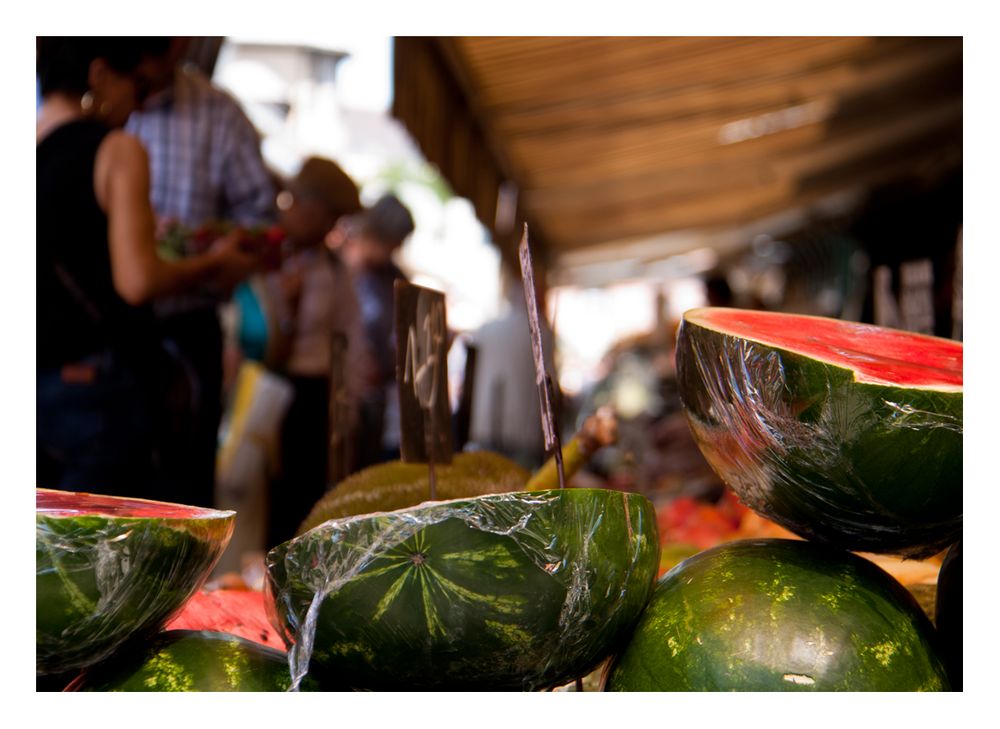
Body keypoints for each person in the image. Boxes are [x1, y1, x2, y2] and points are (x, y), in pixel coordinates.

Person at [36, 37, 258, 497]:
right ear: (98, 76)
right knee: (104, 557)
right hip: (98, 387)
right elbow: (138, 281)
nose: (136, 107)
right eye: (135, 86)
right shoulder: (118, 150)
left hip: (35, 377)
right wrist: (213, 264)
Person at [125, 38, 278, 507]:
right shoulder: (100, 109)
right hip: (108, 334)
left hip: (188, 328)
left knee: (181, 497)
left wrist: (212, 248)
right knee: (108, 492)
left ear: (180, 45)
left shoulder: (217, 113)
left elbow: (263, 223)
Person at [262, 157, 368, 546]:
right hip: (263, 389)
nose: (329, 228)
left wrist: (347, 411)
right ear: (304, 205)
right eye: (327, 215)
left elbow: (351, 342)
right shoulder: (264, 255)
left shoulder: (335, 272)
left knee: (301, 503)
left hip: (313, 397)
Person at [338, 193, 415, 468]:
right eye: (389, 243)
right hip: (340, 387)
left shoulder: (394, 279)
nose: (390, 252)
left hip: (376, 397)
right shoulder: (341, 266)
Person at [468, 267, 557, 470]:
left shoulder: (486, 328)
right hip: (522, 435)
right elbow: (550, 386)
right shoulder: (541, 331)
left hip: (486, 428)